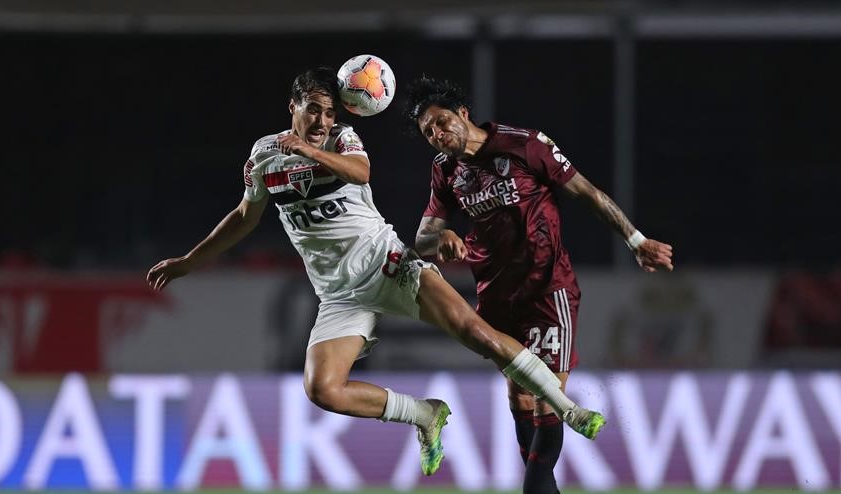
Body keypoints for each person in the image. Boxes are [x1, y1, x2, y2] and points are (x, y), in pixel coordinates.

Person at [146, 67, 605, 477]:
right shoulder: (265, 155)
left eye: (328, 112)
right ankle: (424, 415)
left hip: (390, 265)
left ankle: (568, 409)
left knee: (475, 332)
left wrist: (308, 150)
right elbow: (245, 216)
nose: (322, 121)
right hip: (340, 295)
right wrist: (189, 261)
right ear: (294, 107)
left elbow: (361, 173)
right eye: (313, 111)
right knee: (322, 388)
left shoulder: (343, 140)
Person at [404, 76, 673, 493]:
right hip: (494, 295)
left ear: (462, 113)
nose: (438, 135)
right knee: (520, 402)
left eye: (441, 122)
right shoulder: (445, 171)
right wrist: (439, 238)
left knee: (547, 398)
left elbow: (586, 192)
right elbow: (422, 237)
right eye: (428, 133)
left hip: (548, 289)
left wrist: (635, 240)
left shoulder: (525, 144)